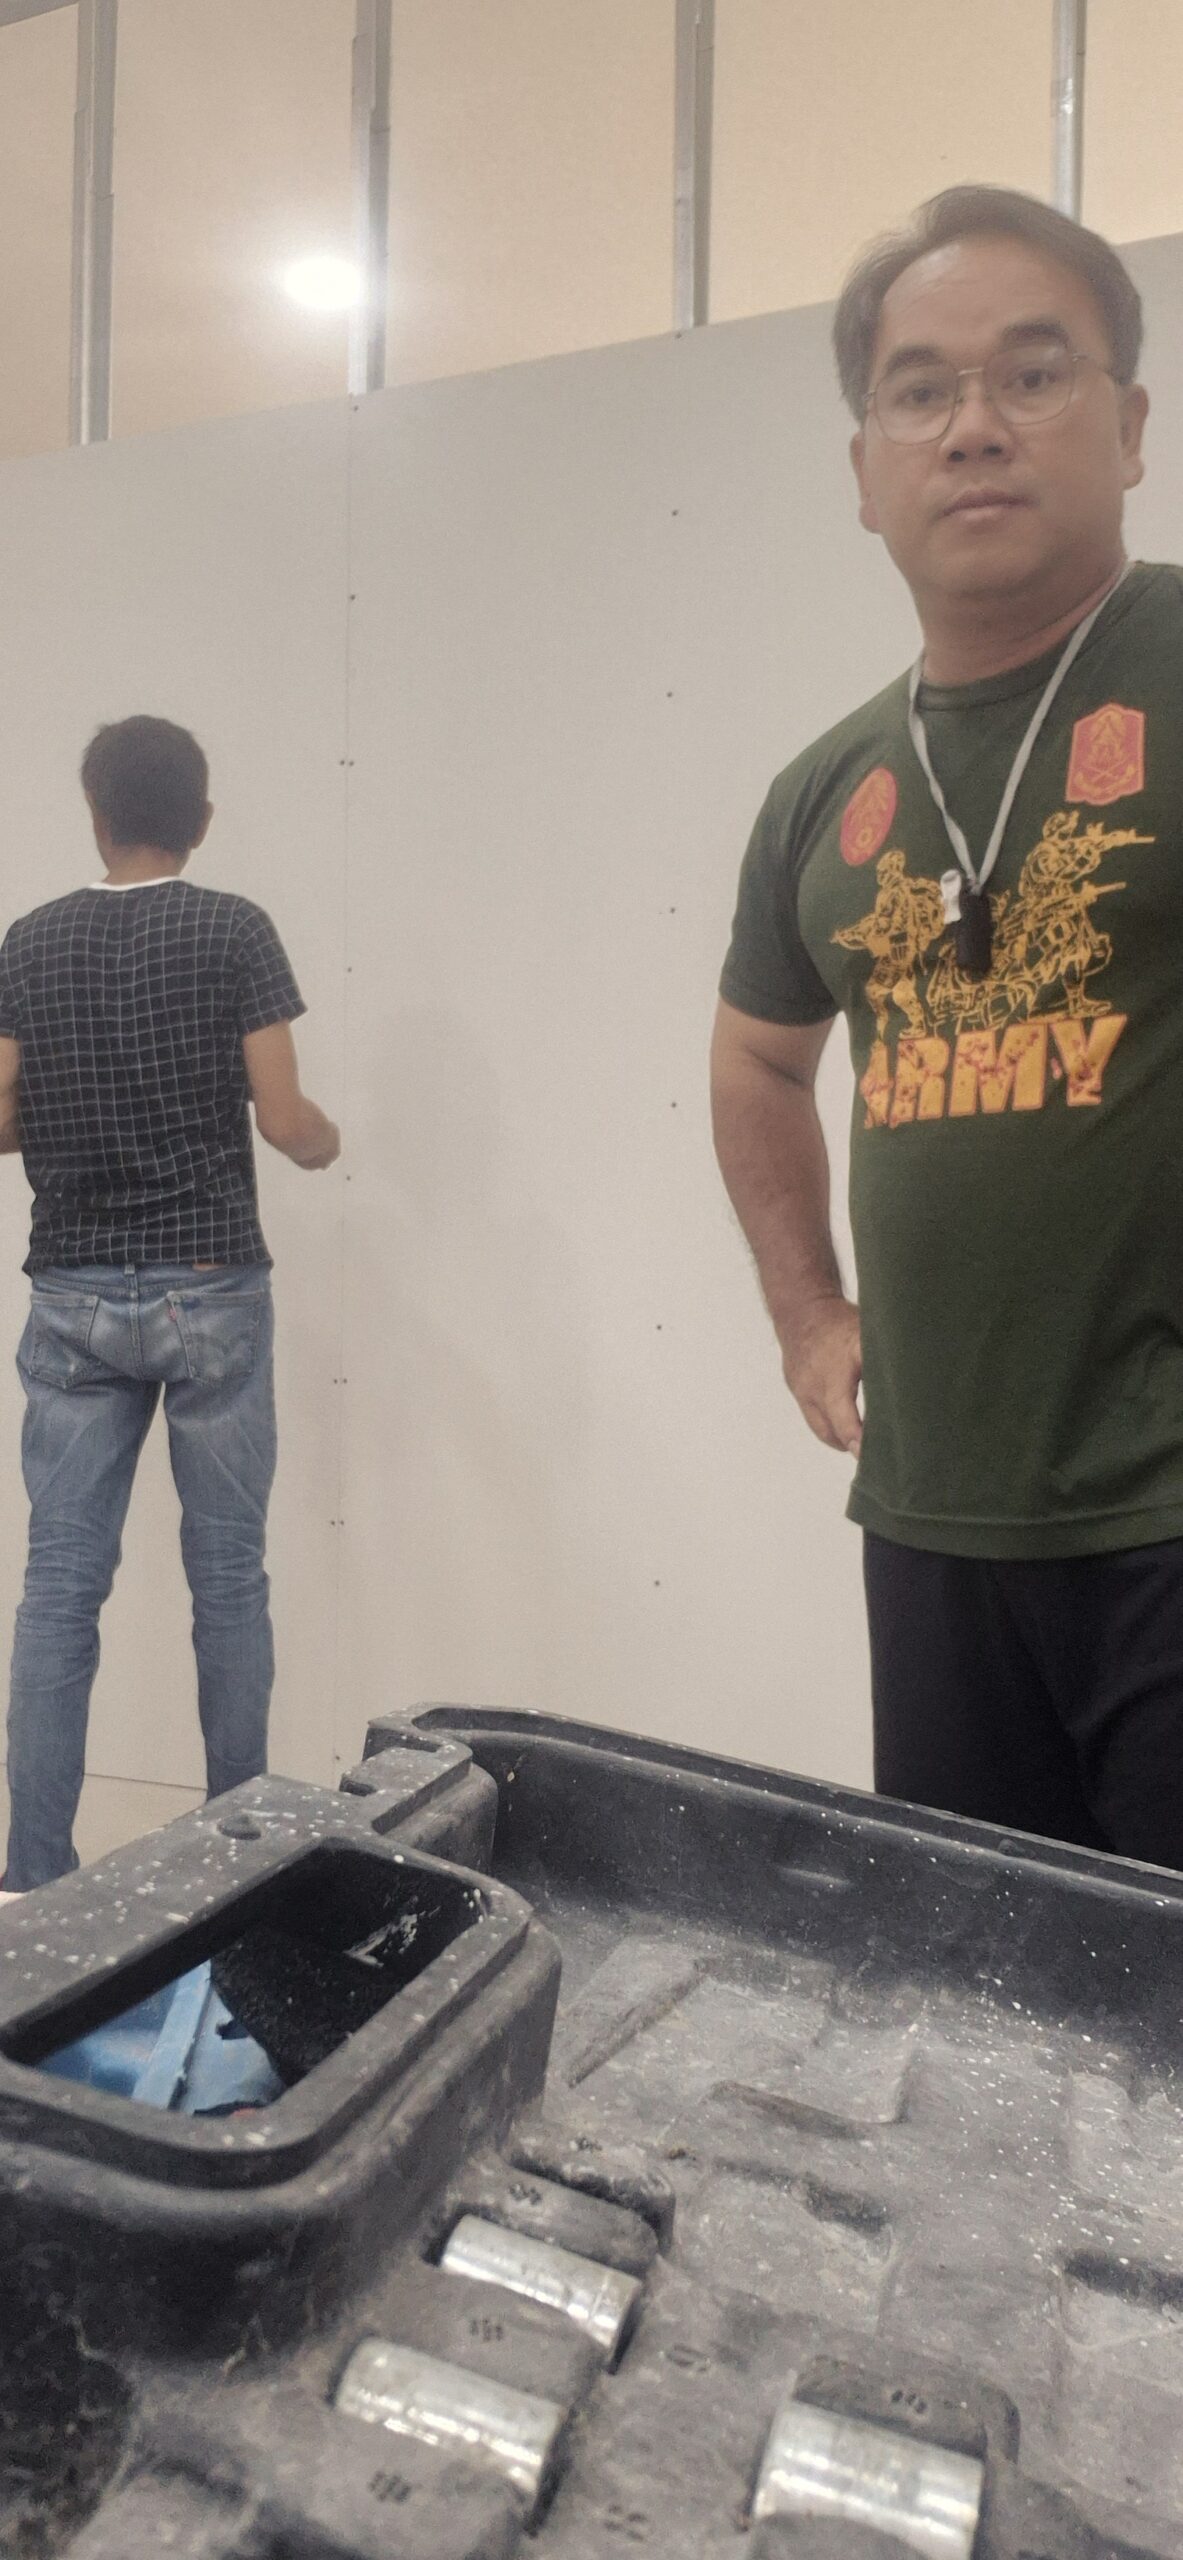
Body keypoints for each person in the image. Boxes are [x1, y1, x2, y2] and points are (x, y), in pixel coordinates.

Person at [711, 183, 1183, 1868]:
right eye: (918, 391)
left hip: (1164, 1512)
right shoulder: (823, 787)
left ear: (1127, 427)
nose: (971, 427)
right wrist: (804, 1313)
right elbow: (756, 1057)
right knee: (973, 1988)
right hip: (929, 1522)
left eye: (1031, 375)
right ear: (864, 471)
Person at [0, 716, 339, 1890]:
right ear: (200, 820)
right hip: (209, 1286)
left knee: (58, 1587)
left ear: (96, 816)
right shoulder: (235, 929)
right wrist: (327, 1141)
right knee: (228, 1579)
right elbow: (285, 1120)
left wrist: (66, 1117)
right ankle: (234, 1864)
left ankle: (30, 1879)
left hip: (72, 1294)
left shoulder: (29, 941)